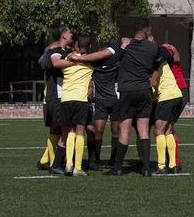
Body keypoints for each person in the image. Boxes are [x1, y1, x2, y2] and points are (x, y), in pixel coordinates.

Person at [106, 18, 173, 176]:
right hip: (144, 90)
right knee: (143, 130)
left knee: (125, 130)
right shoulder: (152, 48)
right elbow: (165, 56)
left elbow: (111, 61)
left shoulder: (126, 46)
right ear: (146, 31)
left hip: (127, 91)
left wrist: (122, 47)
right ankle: (146, 168)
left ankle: (117, 168)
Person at [67, 39, 130, 170]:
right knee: (98, 131)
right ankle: (96, 159)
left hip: (115, 101)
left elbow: (119, 56)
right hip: (100, 101)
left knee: (115, 131)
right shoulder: (94, 65)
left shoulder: (116, 63)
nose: (104, 55)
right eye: (101, 53)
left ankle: (113, 159)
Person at [40, 24, 76, 174]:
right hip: (58, 96)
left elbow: (42, 61)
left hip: (54, 97)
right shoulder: (56, 52)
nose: (72, 35)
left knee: (56, 130)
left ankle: (48, 162)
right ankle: (57, 164)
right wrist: (78, 62)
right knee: (67, 130)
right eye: (70, 33)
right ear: (64, 36)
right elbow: (54, 61)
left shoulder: (56, 50)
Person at [61, 34, 94, 176]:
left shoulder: (68, 59)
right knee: (80, 132)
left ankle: (68, 164)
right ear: (90, 46)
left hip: (66, 98)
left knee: (70, 132)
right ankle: (78, 168)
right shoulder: (90, 62)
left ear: (76, 45)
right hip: (81, 99)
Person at [150, 45, 183, 175]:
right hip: (177, 95)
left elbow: (153, 83)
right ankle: (173, 165)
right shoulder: (163, 60)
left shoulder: (155, 65)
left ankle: (161, 166)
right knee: (168, 131)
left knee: (158, 131)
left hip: (167, 97)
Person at [161, 44, 188, 172]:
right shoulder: (166, 50)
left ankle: (174, 163)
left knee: (167, 129)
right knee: (167, 128)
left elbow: (176, 58)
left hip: (176, 91)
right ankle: (172, 162)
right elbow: (177, 57)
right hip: (177, 91)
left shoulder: (162, 51)